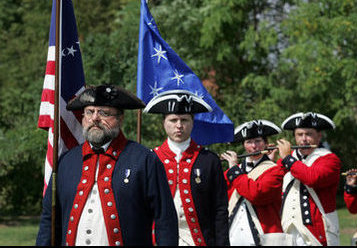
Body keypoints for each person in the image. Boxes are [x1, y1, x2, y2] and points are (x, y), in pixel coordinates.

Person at [36, 84, 178, 246]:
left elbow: (165, 220)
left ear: (120, 118)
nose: (95, 118)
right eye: (90, 112)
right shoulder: (67, 161)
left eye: (104, 113)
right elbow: (50, 219)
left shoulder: (143, 159)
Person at [143, 89, 229, 246]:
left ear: (193, 122)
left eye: (184, 120)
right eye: (173, 120)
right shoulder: (150, 159)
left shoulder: (209, 160)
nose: (179, 126)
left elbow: (220, 209)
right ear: (163, 123)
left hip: (199, 240)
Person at [221, 119, 292, 246]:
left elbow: (256, 194)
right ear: (244, 145)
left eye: (258, 141)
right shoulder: (233, 171)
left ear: (266, 144)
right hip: (234, 236)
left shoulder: (274, 170)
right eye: (249, 142)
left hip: (264, 237)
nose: (254, 147)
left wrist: (234, 169)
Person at [276, 112, 341, 246]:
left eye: (309, 134)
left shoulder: (330, 159)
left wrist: (287, 159)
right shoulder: (287, 158)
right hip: (287, 230)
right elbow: (271, 184)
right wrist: (269, 160)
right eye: (300, 135)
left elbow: (312, 178)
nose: (304, 139)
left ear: (319, 136)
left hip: (317, 231)